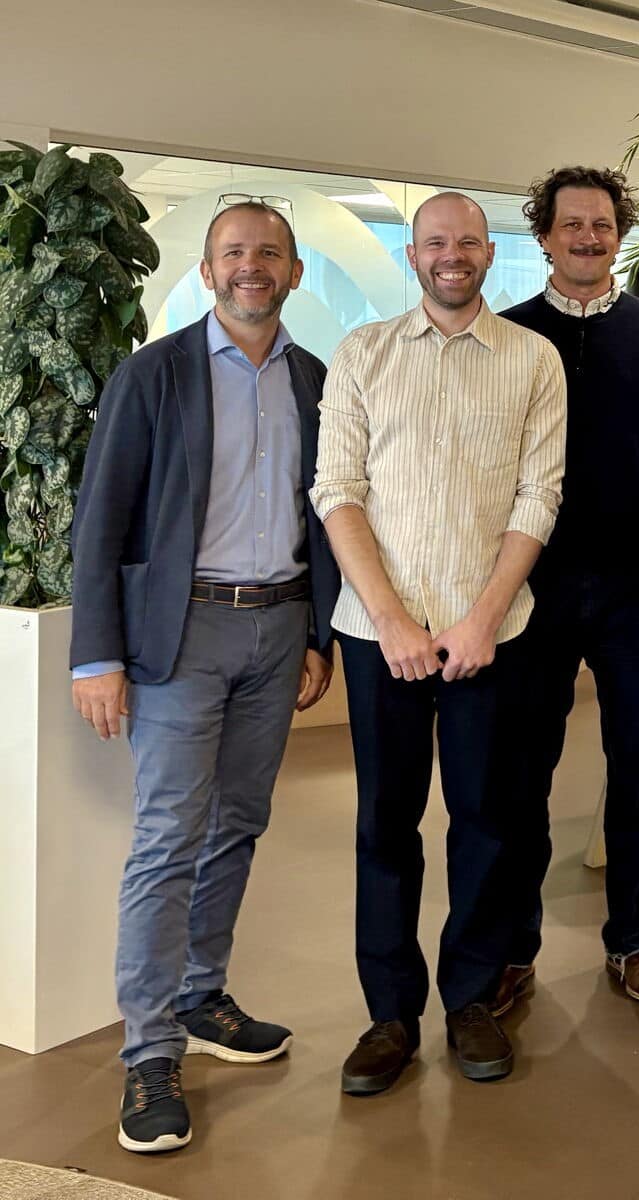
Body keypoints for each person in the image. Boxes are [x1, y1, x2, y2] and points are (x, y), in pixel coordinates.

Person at [71, 200, 339, 1153]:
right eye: (234, 253)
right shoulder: (155, 374)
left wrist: (320, 636)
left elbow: (330, 515)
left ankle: (201, 997)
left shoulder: (316, 380)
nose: (251, 267)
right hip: (178, 638)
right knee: (166, 839)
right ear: (208, 268)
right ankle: (148, 1054)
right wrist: (97, 653)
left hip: (278, 632)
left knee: (238, 824)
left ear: (295, 271)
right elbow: (101, 516)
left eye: (269, 253)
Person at [311, 192, 567, 1096]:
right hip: (379, 635)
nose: (451, 255)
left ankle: (470, 999)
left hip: (489, 637)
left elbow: (539, 499)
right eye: (435, 243)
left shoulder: (533, 360)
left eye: (466, 241)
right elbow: (336, 488)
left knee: (487, 823)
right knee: (385, 826)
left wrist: (480, 620)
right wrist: (388, 620)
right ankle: (388, 1015)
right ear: (414, 255)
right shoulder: (363, 354)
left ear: (488, 254)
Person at [496, 166, 639, 1016]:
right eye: (571, 224)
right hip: (530, 588)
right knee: (521, 773)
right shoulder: (507, 336)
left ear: (621, 234)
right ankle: (511, 948)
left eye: (602, 224)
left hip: (634, 587)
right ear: (543, 236)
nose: (587, 237)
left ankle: (634, 938)